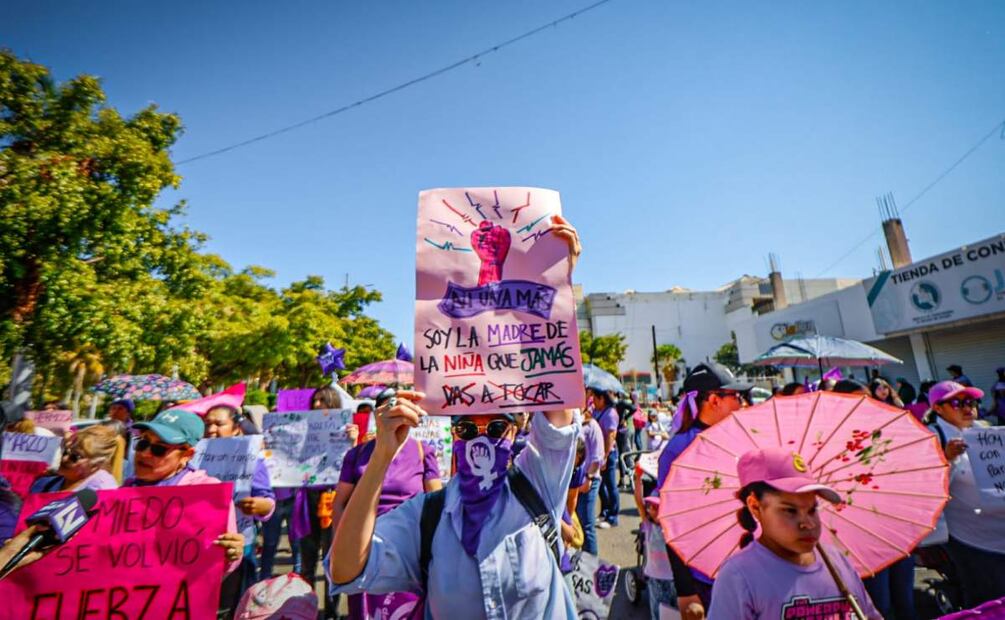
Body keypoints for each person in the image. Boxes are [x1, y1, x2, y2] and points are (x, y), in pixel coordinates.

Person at [327, 214, 581, 619]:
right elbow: (344, 570)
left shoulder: (539, 485)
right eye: (466, 427)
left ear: (516, 431)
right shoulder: (426, 516)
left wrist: (552, 279)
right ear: (453, 433)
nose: (480, 437)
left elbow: (556, 397)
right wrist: (380, 458)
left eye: (495, 426)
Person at [707, 447, 881, 619]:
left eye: (813, 510)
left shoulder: (838, 562)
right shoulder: (739, 575)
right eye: (790, 511)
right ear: (755, 506)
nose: (808, 524)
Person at [656, 362, 751, 617]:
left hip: (751, 567)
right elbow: (671, 522)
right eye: (735, 396)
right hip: (707, 578)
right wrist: (686, 590)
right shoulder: (679, 450)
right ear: (714, 400)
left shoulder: (743, 438)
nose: (741, 403)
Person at [330, 411, 443, 619]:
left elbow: (436, 500)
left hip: (406, 548)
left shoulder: (422, 451)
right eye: (388, 410)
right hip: (364, 542)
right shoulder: (358, 453)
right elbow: (340, 503)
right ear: (377, 416)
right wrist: (342, 544)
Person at [122, 409, 245, 577]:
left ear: (187, 455)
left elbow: (218, 565)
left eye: (159, 449)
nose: (144, 453)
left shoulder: (206, 494)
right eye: (142, 442)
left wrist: (232, 553)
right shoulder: (125, 491)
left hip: (176, 597)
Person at [927, 380, 1005, 608]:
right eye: (957, 403)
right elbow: (930, 489)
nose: (967, 407)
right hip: (970, 536)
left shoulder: (986, 431)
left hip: (999, 527)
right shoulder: (931, 438)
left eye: (971, 401)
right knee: (986, 598)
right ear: (938, 408)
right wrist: (947, 459)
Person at [203, 404, 276, 598]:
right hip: (202, 546)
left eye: (219, 424)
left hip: (241, 545)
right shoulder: (192, 457)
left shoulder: (252, 458)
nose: (211, 430)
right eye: (207, 424)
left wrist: (262, 505)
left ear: (236, 428)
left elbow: (267, 497)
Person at [29, 424, 122, 493]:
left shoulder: (103, 491)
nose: (64, 458)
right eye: (65, 451)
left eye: (75, 457)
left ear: (96, 465)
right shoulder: (45, 482)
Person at [575, 406, 604, 554]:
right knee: (577, 523)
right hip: (575, 481)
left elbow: (597, 457)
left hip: (588, 480)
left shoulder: (593, 426)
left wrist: (589, 477)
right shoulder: (574, 424)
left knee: (586, 524)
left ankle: (591, 564)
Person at [642, 496, 676, 619]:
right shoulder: (648, 526)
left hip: (673, 578)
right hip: (655, 578)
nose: (651, 510)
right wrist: (638, 480)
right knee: (658, 613)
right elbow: (638, 501)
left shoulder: (671, 528)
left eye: (656, 507)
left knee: (675, 613)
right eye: (649, 507)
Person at [593, 389, 621, 529]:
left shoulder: (610, 413)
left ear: (602, 399)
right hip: (599, 454)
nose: (593, 402)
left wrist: (605, 456)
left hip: (607, 455)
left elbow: (611, 436)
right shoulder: (598, 411)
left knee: (611, 486)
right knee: (601, 485)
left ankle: (613, 517)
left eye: (595, 399)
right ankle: (605, 511)